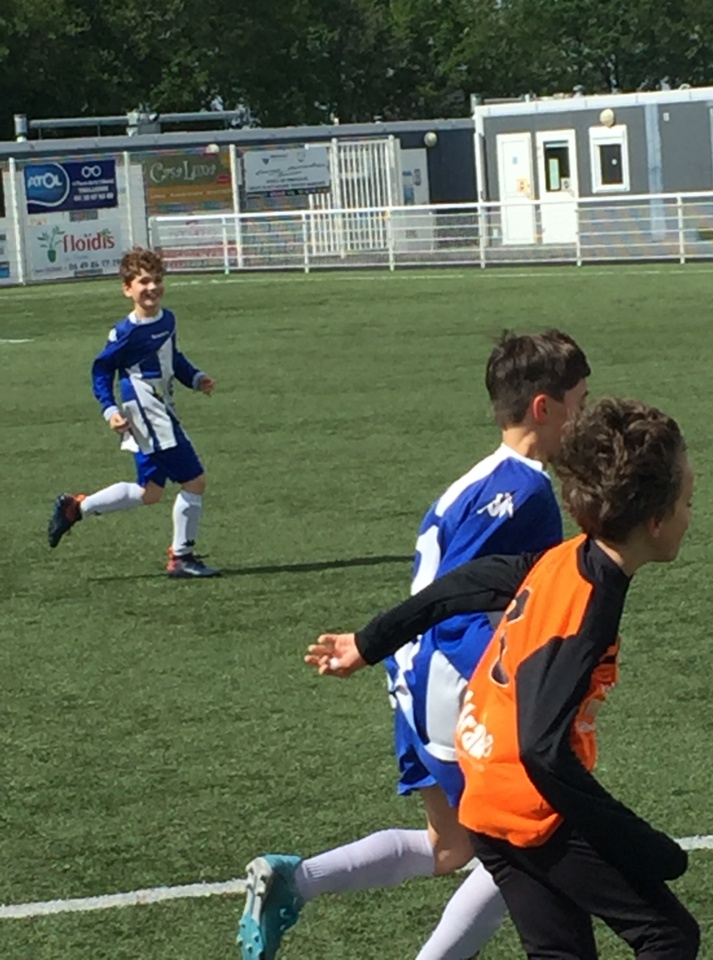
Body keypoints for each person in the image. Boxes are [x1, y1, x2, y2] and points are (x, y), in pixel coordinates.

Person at [238, 330, 591, 960]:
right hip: (453, 681)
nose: (583, 419)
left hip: (411, 677)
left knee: (449, 846)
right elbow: (460, 597)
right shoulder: (526, 491)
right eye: (580, 404)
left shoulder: (475, 481)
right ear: (545, 407)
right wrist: (517, 685)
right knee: (522, 844)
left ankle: (296, 879)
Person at [308, 397, 699, 960]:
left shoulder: (562, 559)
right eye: (688, 502)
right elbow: (542, 750)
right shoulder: (588, 612)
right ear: (655, 522)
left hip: (484, 795)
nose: (692, 514)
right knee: (668, 936)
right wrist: (645, 846)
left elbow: (462, 584)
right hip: (526, 805)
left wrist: (369, 643)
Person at [47, 246, 220, 578]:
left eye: (157, 280)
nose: (152, 287)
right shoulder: (125, 332)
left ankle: (75, 508)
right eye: (143, 282)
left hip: (161, 408)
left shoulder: (168, 319)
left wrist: (196, 378)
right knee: (194, 481)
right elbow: (101, 371)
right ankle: (181, 557)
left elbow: (173, 358)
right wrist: (109, 410)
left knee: (149, 492)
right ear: (127, 289)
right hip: (147, 412)